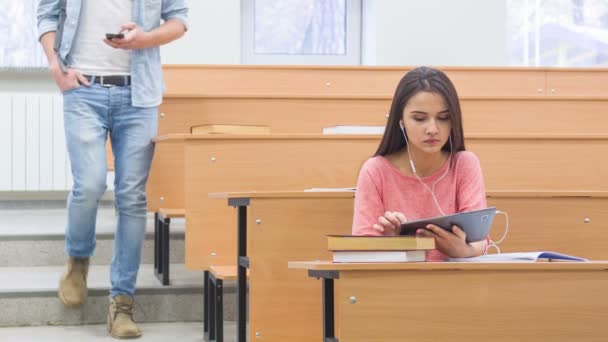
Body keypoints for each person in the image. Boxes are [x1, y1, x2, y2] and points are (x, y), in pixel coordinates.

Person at [37, 0, 188, 338]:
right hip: (82, 89)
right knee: (89, 184)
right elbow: (46, 14)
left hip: (139, 93)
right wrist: (54, 64)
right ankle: (78, 259)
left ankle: (122, 303)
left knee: (132, 198)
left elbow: (179, 20)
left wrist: (144, 39)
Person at [352, 66, 489, 261]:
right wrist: (391, 243)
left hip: (457, 283)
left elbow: (479, 241)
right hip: (395, 284)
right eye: (419, 118)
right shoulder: (375, 170)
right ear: (401, 121)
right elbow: (359, 250)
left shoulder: (464, 164)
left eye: (443, 118)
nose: (432, 129)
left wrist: (462, 251)